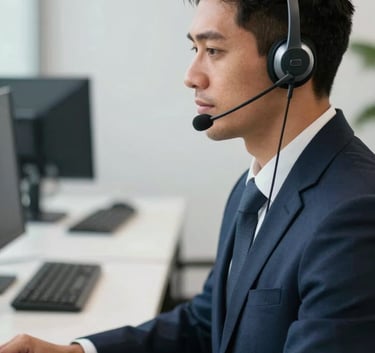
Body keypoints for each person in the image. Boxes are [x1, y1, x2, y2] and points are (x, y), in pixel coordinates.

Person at [2, 0, 375, 352]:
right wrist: (77, 351)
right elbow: (207, 323)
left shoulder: (353, 214)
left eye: (212, 51)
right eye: (193, 50)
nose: (191, 76)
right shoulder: (258, 187)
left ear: (292, 64)